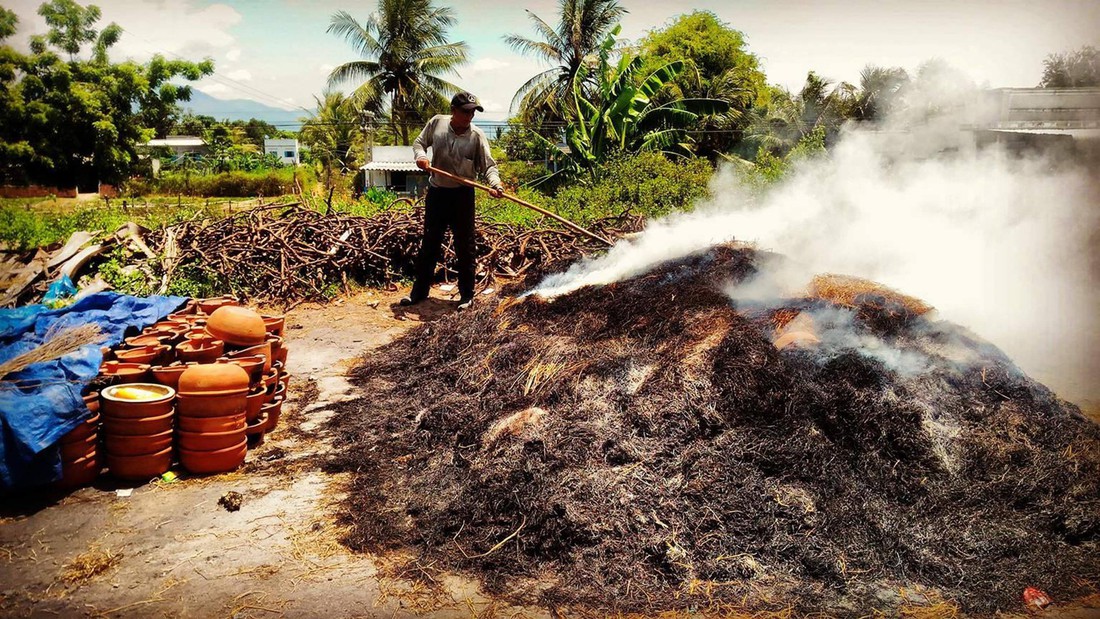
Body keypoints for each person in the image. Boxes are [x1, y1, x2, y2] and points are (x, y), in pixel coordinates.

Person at [401, 91, 504, 310]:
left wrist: (495, 185)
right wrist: (421, 157)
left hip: (463, 196)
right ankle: (418, 293)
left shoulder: (476, 136)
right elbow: (419, 143)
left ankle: (467, 296)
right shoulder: (437, 123)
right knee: (429, 244)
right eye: (465, 112)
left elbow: (489, 166)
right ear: (453, 111)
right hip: (437, 193)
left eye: (473, 112)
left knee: (465, 247)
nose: (469, 117)